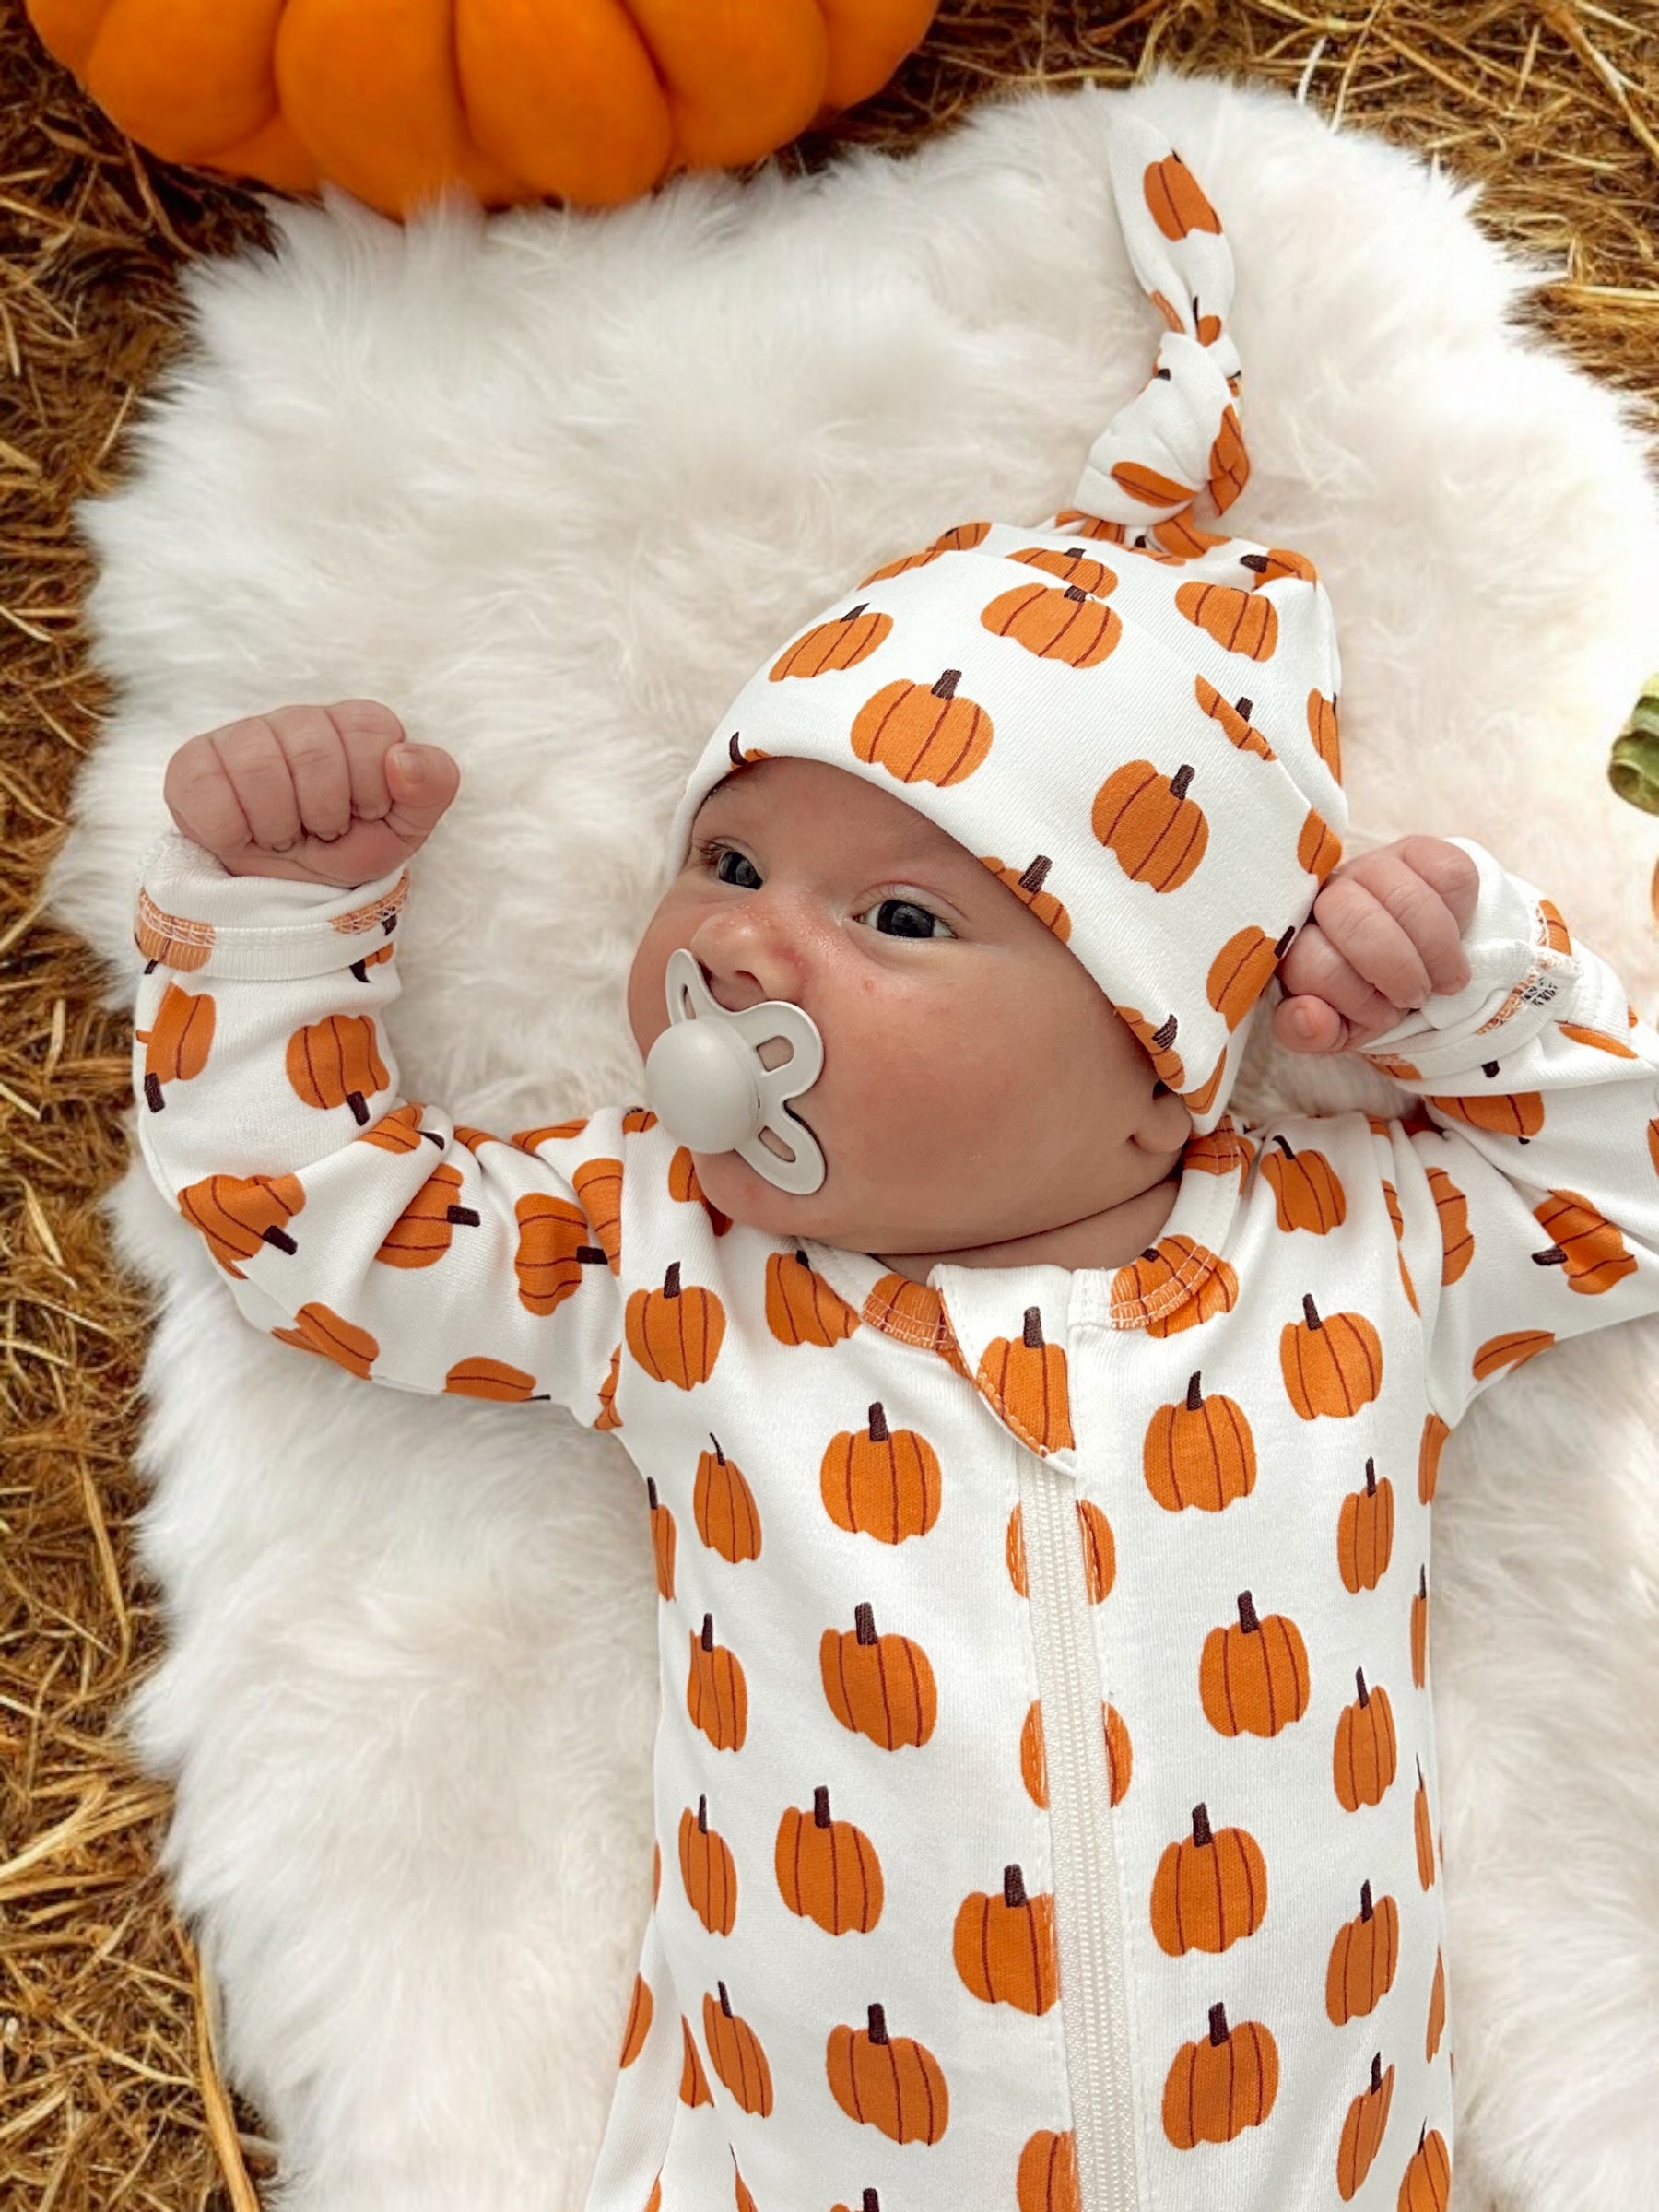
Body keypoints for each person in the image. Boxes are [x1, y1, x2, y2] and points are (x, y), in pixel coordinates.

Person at [128, 110, 1659, 2212]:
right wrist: (280, 924)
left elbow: (1623, 1199)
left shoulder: (1355, 1259)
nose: (743, 939)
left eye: (905, 919)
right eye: (731, 859)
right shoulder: (676, 1269)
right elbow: (312, 1229)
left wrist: (1483, 1003)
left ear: (1161, 1064)